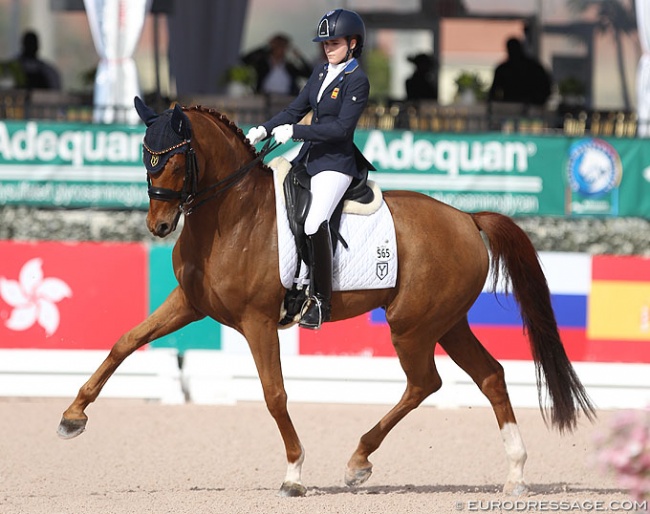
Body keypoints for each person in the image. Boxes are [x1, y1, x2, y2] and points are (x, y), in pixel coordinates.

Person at [246, 9, 371, 330]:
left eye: (335, 42)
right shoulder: (319, 73)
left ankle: (319, 300)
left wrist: (298, 132)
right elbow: (295, 109)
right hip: (308, 157)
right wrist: (265, 127)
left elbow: (342, 129)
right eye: (325, 43)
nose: (328, 48)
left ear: (353, 43)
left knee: (315, 223)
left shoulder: (357, 80)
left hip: (336, 163)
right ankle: (293, 282)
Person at [241, 33, 312, 96]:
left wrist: (300, 57)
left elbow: (308, 74)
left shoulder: (289, 66)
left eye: (283, 46)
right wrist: (264, 49)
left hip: (286, 100)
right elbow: (245, 60)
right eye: (278, 46)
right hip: (265, 99)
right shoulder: (263, 64)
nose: (281, 50)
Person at [488, 37, 551, 106]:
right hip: (515, 108)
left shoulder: (503, 69)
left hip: (525, 108)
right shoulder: (535, 67)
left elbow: (493, 94)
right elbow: (493, 93)